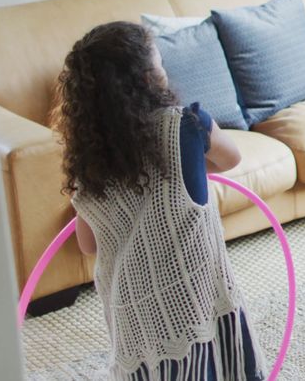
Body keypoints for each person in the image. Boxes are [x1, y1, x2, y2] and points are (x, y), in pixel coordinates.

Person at [53, 21, 266, 380]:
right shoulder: (187, 125)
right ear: (147, 77)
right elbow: (231, 159)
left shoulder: (88, 166)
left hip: (130, 306)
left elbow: (88, 245)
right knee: (208, 365)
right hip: (190, 292)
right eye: (159, 62)